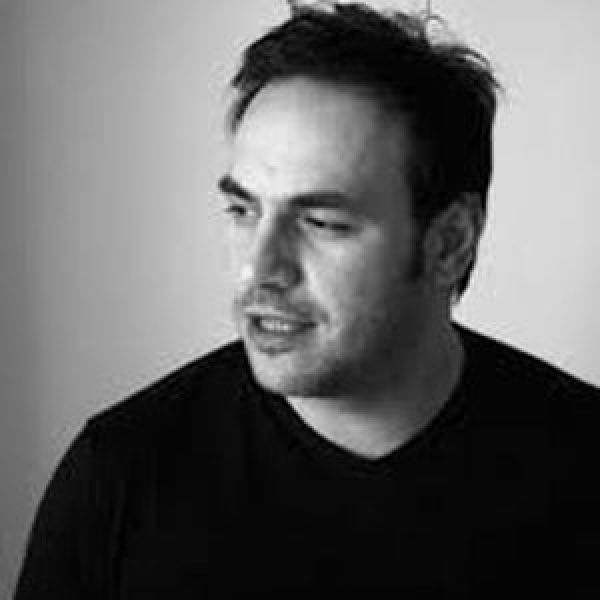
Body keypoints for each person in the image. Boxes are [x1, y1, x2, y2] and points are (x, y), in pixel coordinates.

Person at [14, 2, 600, 598]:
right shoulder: (120, 475)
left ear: (450, 242)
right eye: (243, 210)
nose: (259, 269)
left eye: (321, 223)